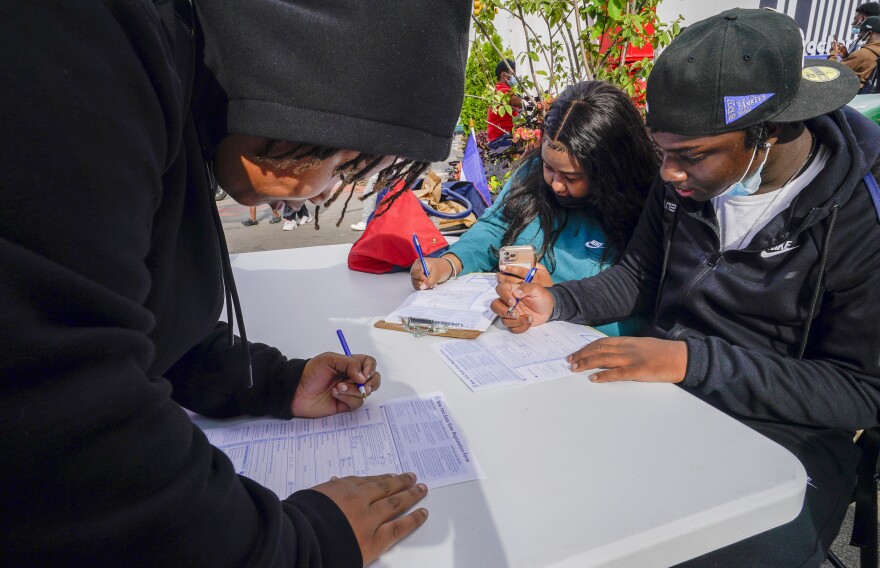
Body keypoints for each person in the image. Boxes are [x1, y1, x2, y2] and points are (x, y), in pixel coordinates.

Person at [0, 1, 469, 566]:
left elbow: (135, 317)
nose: (325, 192)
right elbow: (55, 418)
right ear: (304, 74)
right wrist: (302, 546)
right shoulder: (77, 34)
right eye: (343, 158)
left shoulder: (180, 79)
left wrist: (273, 382)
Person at [492, 9, 880, 567]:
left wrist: (693, 361)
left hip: (787, 438)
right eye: (663, 151)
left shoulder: (861, 217)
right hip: (667, 394)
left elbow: (860, 391)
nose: (669, 174)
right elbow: (639, 277)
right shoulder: (682, 183)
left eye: (690, 156)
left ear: (767, 132)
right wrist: (558, 301)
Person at [411, 80, 658, 337]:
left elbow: (641, 306)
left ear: (610, 169)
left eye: (572, 177)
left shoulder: (645, 208)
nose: (556, 185)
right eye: (549, 167)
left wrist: (556, 299)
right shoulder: (531, 176)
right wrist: (450, 263)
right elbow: (495, 228)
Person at [486, 59, 527, 152]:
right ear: (504, 74)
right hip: (501, 140)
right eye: (513, 73)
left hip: (502, 138)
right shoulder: (501, 92)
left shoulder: (501, 89)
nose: (515, 77)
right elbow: (523, 102)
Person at [829, 15, 880, 87]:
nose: (858, 35)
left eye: (861, 32)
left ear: (869, 33)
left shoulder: (863, 53)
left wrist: (833, 53)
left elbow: (832, 70)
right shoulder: (872, 51)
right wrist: (847, 56)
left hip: (855, 95)